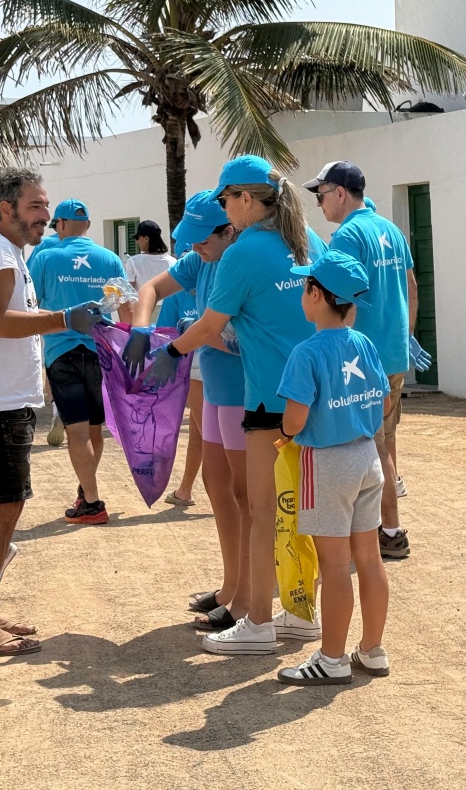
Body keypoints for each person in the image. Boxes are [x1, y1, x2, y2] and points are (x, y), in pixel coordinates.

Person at [127, 156, 327, 655]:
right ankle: (301, 611)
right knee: (302, 510)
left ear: (244, 199)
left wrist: (170, 351)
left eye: (225, 199)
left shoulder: (244, 251)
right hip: (317, 396)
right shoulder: (308, 240)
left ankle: (257, 622)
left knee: (262, 512)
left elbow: (210, 326)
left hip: (267, 399)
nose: (225, 209)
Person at [0, 169, 106, 657]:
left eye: (46, 205)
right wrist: (65, 318)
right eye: (36, 206)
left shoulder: (2, 250)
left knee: (2, 510)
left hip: (1, 400)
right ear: (6, 209)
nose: (45, 214)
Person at [128, 194, 247, 631]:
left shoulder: (240, 261)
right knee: (217, 487)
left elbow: (235, 340)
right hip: (214, 388)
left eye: (202, 240)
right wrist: (141, 327)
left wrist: (185, 338)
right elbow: (151, 289)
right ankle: (231, 584)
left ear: (228, 230)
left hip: (242, 390)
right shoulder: (202, 260)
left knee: (244, 494)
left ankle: (247, 597)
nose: (195, 249)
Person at [274, 251, 391, 685]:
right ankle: (372, 650)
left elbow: (295, 419)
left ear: (316, 295)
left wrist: (285, 433)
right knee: (370, 559)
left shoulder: (306, 352)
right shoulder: (364, 344)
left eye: (306, 285)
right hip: (367, 457)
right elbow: (383, 402)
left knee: (335, 565)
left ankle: (332, 659)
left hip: (327, 463)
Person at [306, 162, 430, 560]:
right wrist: (406, 336)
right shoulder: (390, 229)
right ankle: (387, 528)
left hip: (360, 361)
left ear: (341, 193)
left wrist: (335, 354)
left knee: (370, 447)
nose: (320, 204)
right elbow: (411, 286)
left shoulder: (347, 235)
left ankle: (389, 531)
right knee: (385, 442)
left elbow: (344, 298)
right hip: (392, 354)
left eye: (321, 195)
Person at [27, 199, 125, 525]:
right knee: (94, 429)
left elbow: (29, 305)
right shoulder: (110, 258)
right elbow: (123, 305)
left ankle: (92, 502)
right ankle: (86, 490)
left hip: (61, 352)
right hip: (100, 351)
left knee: (77, 431)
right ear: (89, 225)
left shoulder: (45, 258)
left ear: (61, 224)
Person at [156, 239, 204, 507]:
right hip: (213, 364)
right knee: (199, 429)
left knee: (210, 434)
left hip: (196, 366)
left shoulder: (179, 287)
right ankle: (185, 488)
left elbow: (165, 333)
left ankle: (233, 498)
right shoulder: (220, 273)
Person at [120, 220, 175, 323]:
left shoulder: (133, 261)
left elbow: (129, 291)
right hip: (168, 309)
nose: (136, 241)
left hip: (144, 309)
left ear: (146, 239)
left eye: (137, 238)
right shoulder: (172, 261)